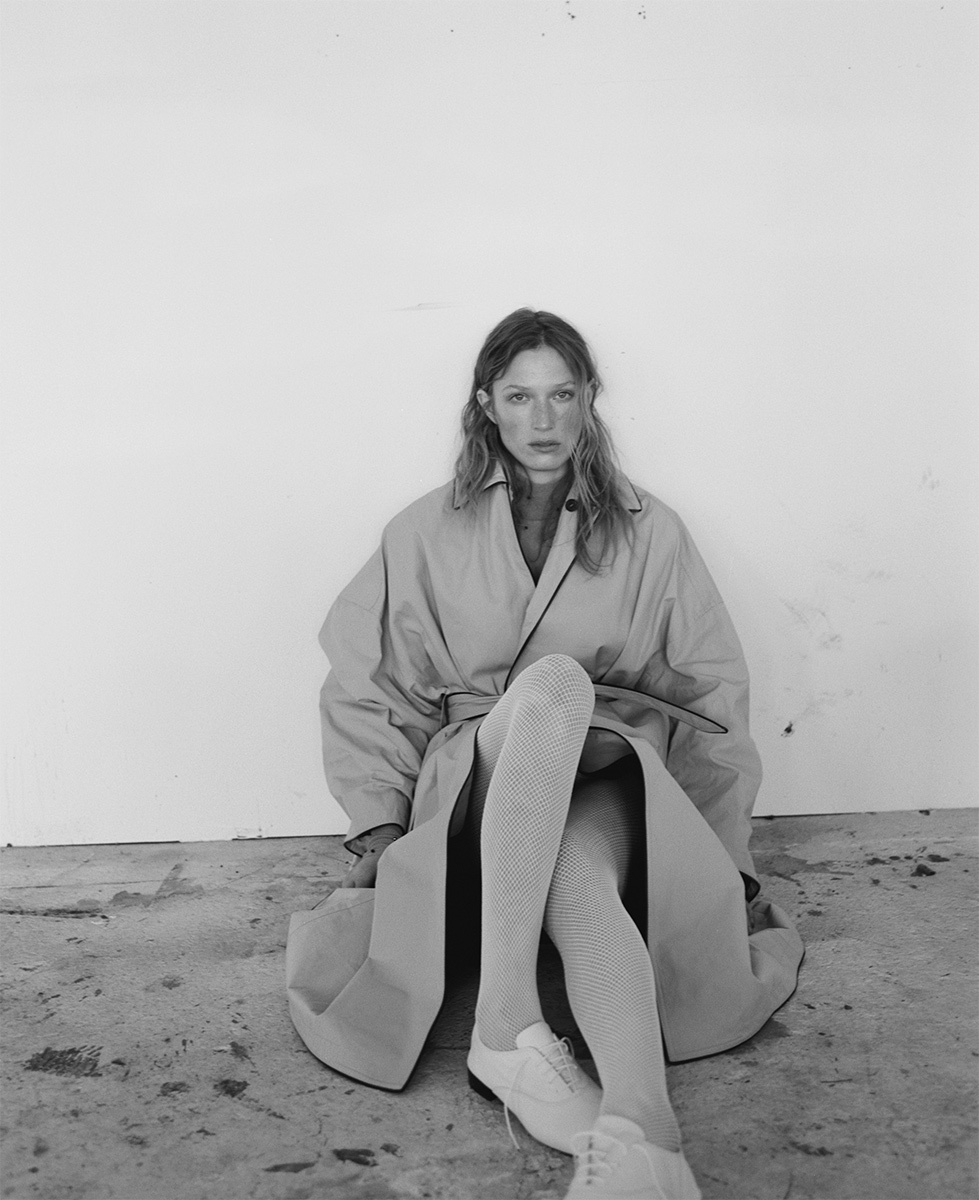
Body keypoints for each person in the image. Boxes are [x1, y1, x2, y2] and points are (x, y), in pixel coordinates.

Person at [286, 309, 804, 1200]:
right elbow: (366, 681)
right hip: (478, 778)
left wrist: (725, 851)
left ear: (589, 399)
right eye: (519, 396)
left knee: (578, 877)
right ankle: (507, 1019)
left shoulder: (651, 531)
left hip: (604, 770)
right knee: (555, 686)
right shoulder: (422, 531)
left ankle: (644, 1139)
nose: (542, 419)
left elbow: (711, 696)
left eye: (561, 395)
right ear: (485, 403)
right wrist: (378, 825)